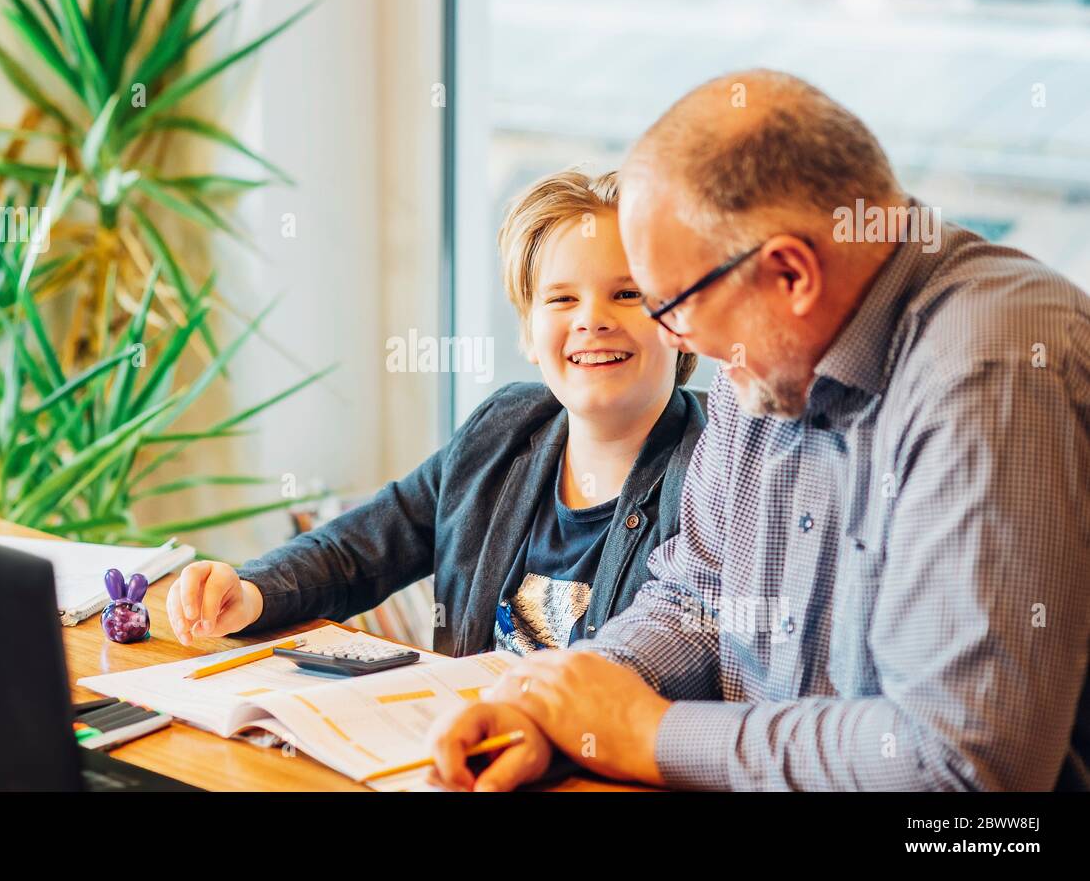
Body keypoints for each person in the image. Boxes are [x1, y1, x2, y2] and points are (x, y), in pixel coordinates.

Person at [428, 69, 1090, 791]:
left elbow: (963, 759)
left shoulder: (991, 371)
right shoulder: (766, 363)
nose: (673, 335)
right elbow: (697, 596)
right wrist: (558, 708)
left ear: (790, 275)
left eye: (671, 305)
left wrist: (653, 734)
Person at [167, 170, 705, 657]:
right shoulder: (504, 427)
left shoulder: (719, 474)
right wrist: (252, 590)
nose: (592, 320)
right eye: (561, 299)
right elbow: (361, 548)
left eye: (628, 293)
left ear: (680, 322)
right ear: (528, 334)